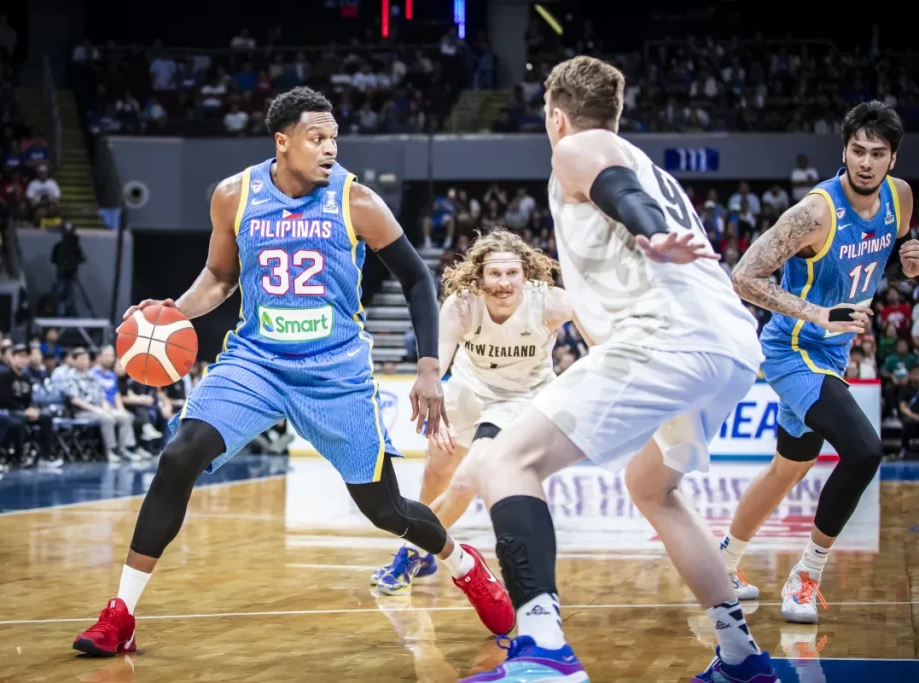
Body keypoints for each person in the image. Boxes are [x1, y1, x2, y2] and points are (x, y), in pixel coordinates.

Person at [73, 86, 512, 657]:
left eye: (334, 138)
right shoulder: (234, 195)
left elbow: (416, 278)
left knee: (385, 510)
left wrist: (430, 365)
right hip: (257, 361)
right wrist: (169, 315)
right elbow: (218, 278)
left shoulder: (357, 202)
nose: (330, 148)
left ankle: (461, 561)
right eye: (317, 138)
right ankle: (122, 612)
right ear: (282, 142)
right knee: (179, 456)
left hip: (335, 373)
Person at [458, 56, 777, 683]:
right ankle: (741, 656)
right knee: (652, 488)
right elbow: (623, 194)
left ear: (555, 116)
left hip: (667, 340)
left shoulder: (578, 146)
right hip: (729, 348)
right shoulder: (652, 165)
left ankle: (544, 648)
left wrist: (651, 232)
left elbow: (614, 189)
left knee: (505, 462)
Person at [717, 101, 914, 623]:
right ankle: (806, 575)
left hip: (833, 351)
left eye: (877, 153)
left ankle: (725, 565)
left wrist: (909, 256)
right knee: (865, 450)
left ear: (893, 159)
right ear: (843, 150)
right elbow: (743, 277)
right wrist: (819, 314)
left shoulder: (901, 199)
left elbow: (888, 249)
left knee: (790, 467)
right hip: (793, 348)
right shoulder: (815, 213)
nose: (866, 163)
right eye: (857, 151)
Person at [370, 228, 574, 594]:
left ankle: (410, 555)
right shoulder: (462, 306)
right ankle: (427, 546)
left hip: (519, 400)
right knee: (437, 474)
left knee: (465, 483)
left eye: (512, 273)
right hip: (467, 391)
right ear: (479, 276)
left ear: (526, 273)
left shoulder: (552, 303)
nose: (504, 282)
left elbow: (603, 330)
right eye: (494, 274)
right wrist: (430, 393)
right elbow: (440, 358)